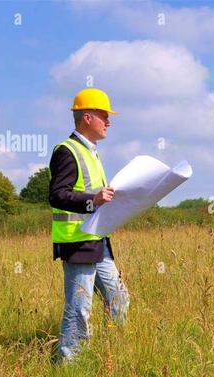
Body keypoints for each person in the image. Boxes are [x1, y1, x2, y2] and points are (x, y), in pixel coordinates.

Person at [48, 88, 130, 361]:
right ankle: (68, 366)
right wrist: (92, 200)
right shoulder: (67, 151)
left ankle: (115, 355)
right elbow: (57, 195)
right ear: (87, 117)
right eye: (104, 116)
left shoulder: (92, 152)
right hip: (77, 242)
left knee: (119, 298)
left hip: (98, 241)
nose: (109, 122)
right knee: (78, 308)